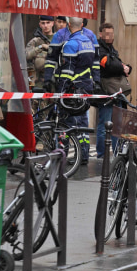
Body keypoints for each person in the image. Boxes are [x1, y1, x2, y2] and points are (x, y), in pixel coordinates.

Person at [54, 17, 97, 163]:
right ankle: (83, 155)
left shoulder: (71, 44)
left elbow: (68, 70)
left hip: (73, 89)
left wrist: (61, 89)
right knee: (83, 123)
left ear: (69, 25)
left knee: (67, 122)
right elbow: (93, 65)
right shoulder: (88, 43)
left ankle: (63, 154)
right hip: (86, 87)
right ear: (82, 25)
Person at [97, 23, 131, 159]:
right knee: (104, 124)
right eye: (106, 33)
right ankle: (101, 155)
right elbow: (109, 64)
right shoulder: (99, 48)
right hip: (105, 91)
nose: (109, 36)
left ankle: (117, 153)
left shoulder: (112, 49)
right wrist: (123, 67)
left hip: (115, 92)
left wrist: (127, 67)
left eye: (111, 33)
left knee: (117, 125)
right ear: (100, 34)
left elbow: (118, 63)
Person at [25, 15, 54, 88]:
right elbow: (26, 55)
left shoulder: (58, 39)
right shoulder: (35, 41)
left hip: (55, 81)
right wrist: (41, 47)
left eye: (48, 23)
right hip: (39, 82)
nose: (45, 25)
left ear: (52, 23)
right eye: (43, 23)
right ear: (40, 25)